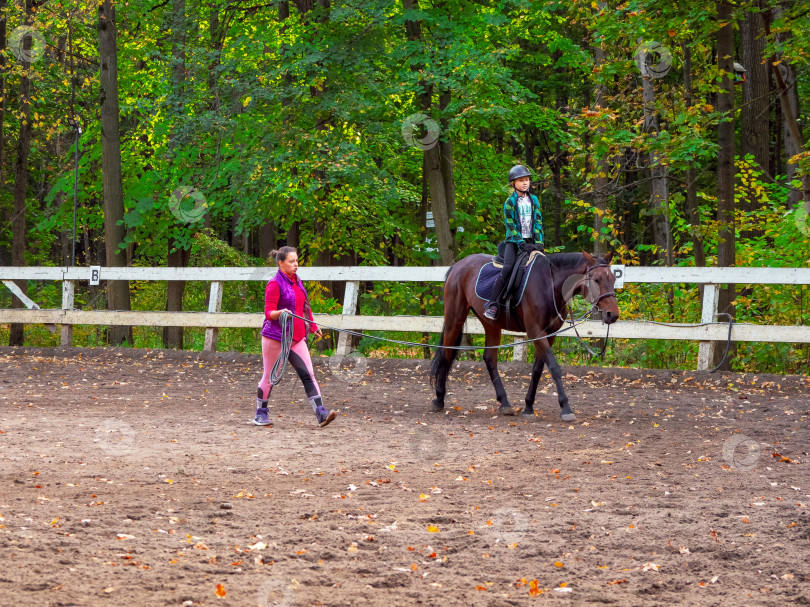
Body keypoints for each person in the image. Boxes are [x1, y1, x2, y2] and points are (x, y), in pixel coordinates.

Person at [254, 246, 336, 427]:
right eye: (291, 261)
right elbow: (268, 313)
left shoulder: (297, 281)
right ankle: (261, 413)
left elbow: (304, 306)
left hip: (297, 337)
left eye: (297, 261)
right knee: (270, 376)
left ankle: (321, 413)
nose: (296, 264)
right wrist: (281, 313)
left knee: (308, 373)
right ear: (281, 263)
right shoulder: (274, 284)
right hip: (275, 337)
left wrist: (313, 326)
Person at [484, 165, 545, 320]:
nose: (525, 183)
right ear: (513, 183)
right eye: (521, 180)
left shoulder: (534, 200)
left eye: (527, 180)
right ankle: (493, 304)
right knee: (508, 268)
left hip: (531, 241)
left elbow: (538, 221)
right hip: (514, 241)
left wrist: (539, 242)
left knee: (544, 266)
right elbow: (510, 226)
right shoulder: (510, 202)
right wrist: (521, 243)